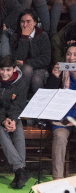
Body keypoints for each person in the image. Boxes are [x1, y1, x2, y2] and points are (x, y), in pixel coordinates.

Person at [0, 55, 30, 188]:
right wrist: (3, 120)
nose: (4, 73)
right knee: (1, 131)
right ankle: (20, 168)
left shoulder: (21, 83)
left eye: (8, 70)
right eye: (2, 69)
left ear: (14, 69)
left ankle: (20, 172)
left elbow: (18, 105)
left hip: (12, 116)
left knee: (18, 130)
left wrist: (12, 120)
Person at [46, 43, 76, 180]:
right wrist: (54, 76)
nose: (71, 58)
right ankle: (57, 180)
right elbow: (48, 95)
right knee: (59, 136)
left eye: (75, 55)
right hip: (64, 117)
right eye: (69, 54)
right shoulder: (62, 71)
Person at [10, 9, 51, 98]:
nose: (25, 25)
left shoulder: (42, 35)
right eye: (22, 22)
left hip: (39, 68)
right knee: (27, 70)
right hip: (21, 68)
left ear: (35, 22)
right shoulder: (15, 35)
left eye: (28, 22)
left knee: (36, 79)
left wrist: (27, 62)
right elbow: (17, 58)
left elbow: (46, 59)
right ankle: (20, 101)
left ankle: (40, 104)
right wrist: (24, 38)